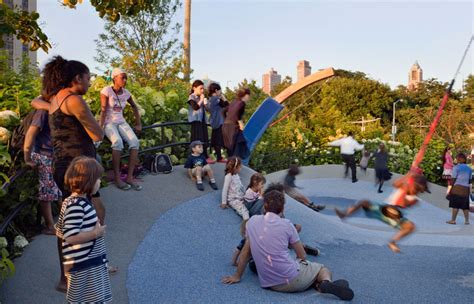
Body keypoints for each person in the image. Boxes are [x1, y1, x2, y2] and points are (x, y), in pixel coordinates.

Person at [31, 56, 108, 292]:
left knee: (68, 219)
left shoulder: (55, 98)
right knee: (94, 214)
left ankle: (66, 277)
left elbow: (36, 101)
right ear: (77, 78)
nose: (90, 82)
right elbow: (97, 135)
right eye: (88, 78)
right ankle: (86, 269)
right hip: (81, 165)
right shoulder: (74, 100)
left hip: (62, 165)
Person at [222, 190, 354, 301]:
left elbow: (245, 252)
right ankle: (325, 283)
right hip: (290, 279)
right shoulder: (287, 225)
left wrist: (237, 275)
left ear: (264, 206)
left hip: (268, 282)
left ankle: (317, 284)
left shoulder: (252, 222)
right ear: (283, 208)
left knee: (299, 269)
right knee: (321, 269)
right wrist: (297, 262)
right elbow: (301, 255)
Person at [55, 156, 111, 303]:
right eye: (98, 179)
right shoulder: (76, 205)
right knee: (87, 298)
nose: (100, 182)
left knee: (89, 297)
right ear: (88, 181)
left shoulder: (74, 202)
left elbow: (60, 230)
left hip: (88, 261)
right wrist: (95, 233)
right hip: (83, 265)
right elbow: (70, 236)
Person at [335, 171, 430, 253]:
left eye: (418, 191)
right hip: (381, 209)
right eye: (416, 189)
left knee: (411, 226)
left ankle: (393, 242)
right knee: (364, 202)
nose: (416, 192)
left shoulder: (415, 200)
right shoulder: (402, 186)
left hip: (395, 217)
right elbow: (395, 184)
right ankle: (345, 214)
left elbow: (401, 203)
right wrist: (408, 176)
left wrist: (407, 186)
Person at [100, 68, 142, 191]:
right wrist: (100, 127)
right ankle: (117, 178)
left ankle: (129, 178)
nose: (125, 80)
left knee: (135, 142)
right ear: (115, 78)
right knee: (117, 142)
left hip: (121, 121)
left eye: (126, 78)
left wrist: (138, 123)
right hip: (109, 122)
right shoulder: (106, 91)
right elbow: (103, 110)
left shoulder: (126, 93)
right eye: (122, 77)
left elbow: (134, 106)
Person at [23, 108, 62, 235]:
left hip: (54, 153)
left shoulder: (54, 107)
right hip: (44, 154)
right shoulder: (43, 111)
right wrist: (27, 157)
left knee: (57, 188)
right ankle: (51, 225)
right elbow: (31, 133)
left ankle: (66, 221)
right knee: (47, 191)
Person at [188, 80, 213, 163]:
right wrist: (201, 100)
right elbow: (195, 107)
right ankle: (196, 158)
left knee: (205, 138)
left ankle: (205, 156)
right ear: (194, 88)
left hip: (202, 121)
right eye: (200, 88)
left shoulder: (201, 98)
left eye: (203, 89)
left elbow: (209, 110)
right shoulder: (191, 97)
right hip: (195, 121)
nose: (202, 91)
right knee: (197, 140)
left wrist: (205, 103)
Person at [222, 88, 251, 158]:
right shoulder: (242, 103)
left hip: (225, 126)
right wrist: (240, 122)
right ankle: (235, 164)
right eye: (248, 95)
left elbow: (223, 111)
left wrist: (226, 120)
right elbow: (237, 112)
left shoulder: (234, 102)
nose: (249, 98)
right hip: (233, 127)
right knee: (238, 146)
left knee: (230, 149)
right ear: (245, 95)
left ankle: (230, 165)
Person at [446, 153, 472, 225]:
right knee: (465, 206)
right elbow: (470, 181)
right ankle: (467, 221)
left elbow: (453, 180)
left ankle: (453, 220)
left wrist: (448, 190)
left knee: (455, 205)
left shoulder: (456, 168)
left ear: (458, 159)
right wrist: (470, 191)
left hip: (457, 188)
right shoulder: (469, 169)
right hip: (465, 189)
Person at [206, 83, 229, 163]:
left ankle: (219, 157)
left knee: (216, 139)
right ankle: (219, 158)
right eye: (220, 90)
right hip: (219, 122)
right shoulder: (215, 99)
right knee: (218, 140)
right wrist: (223, 97)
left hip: (214, 121)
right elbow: (227, 105)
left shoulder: (210, 99)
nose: (221, 92)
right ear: (216, 90)